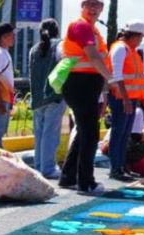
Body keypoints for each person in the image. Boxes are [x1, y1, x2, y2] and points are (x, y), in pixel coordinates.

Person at [59, 0, 114, 194]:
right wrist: (111, 79)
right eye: (89, 4)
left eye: (97, 5)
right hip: (79, 83)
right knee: (90, 133)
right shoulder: (81, 25)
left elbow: (98, 59)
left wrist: (104, 87)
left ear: (102, 9)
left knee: (85, 131)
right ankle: (86, 182)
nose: (93, 9)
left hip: (87, 83)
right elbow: (93, 56)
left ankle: (68, 176)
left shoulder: (93, 29)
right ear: (82, 6)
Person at [106, 21, 144, 180]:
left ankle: (121, 166)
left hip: (130, 98)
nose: (141, 40)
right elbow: (117, 76)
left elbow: (139, 76)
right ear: (134, 35)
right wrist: (125, 99)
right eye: (140, 37)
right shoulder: (120, 49)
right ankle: (115, 168)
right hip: (121, 99)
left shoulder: (131, 50)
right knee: (118, 134)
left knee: (124, 135)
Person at [28, 18, 67, 179]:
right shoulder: (60, 45)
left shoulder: (33, 49)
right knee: (51, 134)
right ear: (57, 31)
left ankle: (39, 166)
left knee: (40, 135)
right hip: (54, 95)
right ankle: (48, 168)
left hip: (37, 98)